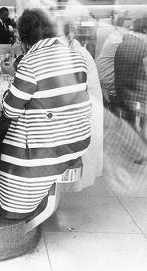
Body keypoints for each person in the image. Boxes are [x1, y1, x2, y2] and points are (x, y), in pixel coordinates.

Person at [0, 8, 91, 220]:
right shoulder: (77, 57)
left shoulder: (31, 61)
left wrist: (7, 93)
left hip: (49, 144)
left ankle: (12, 209)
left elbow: (11, 111)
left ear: (23, 38)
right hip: (76, 138)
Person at [57, 17, 104, 191]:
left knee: (83, 157)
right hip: (83, 106)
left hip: (87, 109)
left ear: (70, 35)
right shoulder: (70, 50)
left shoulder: (78, 54)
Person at [114, 16, 147, 162]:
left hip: (126, 93)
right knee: (139, 124)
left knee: (135, 123)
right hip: (137, 93)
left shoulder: (124, 44)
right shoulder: (141, 46)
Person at [96, 17, 132, 102]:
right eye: (127, 27)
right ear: (119, 28)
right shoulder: (117, 40)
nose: (131, 30)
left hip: (106, 78)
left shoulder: (116, 36)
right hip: (108, 80)